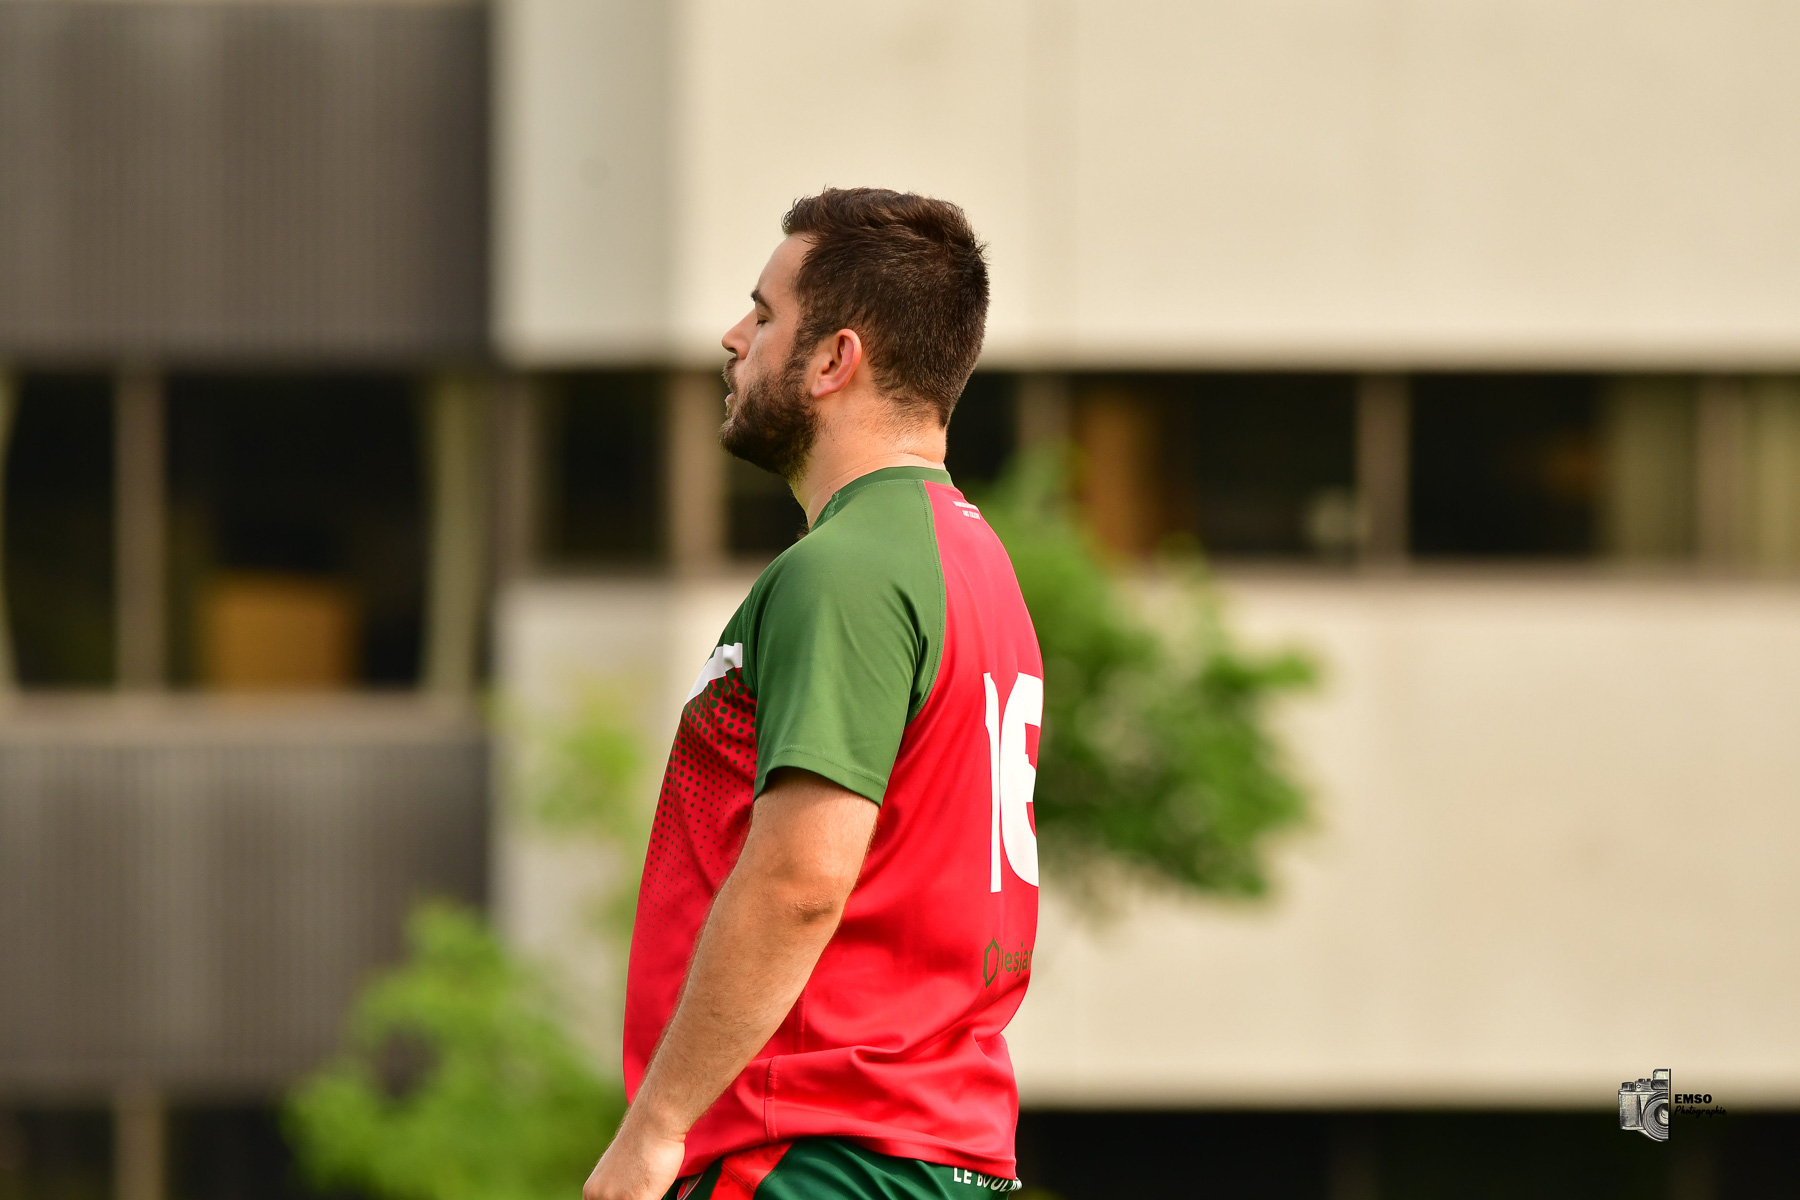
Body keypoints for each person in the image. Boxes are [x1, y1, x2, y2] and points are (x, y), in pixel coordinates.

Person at [583, 188, 1043, 1200]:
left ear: (835, 361)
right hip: (937, 1154)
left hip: (809, 1153)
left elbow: (800, 878)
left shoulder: (845, 570)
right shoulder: (976, 562)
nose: (732, 338)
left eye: (763, 314)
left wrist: (655, 1132)